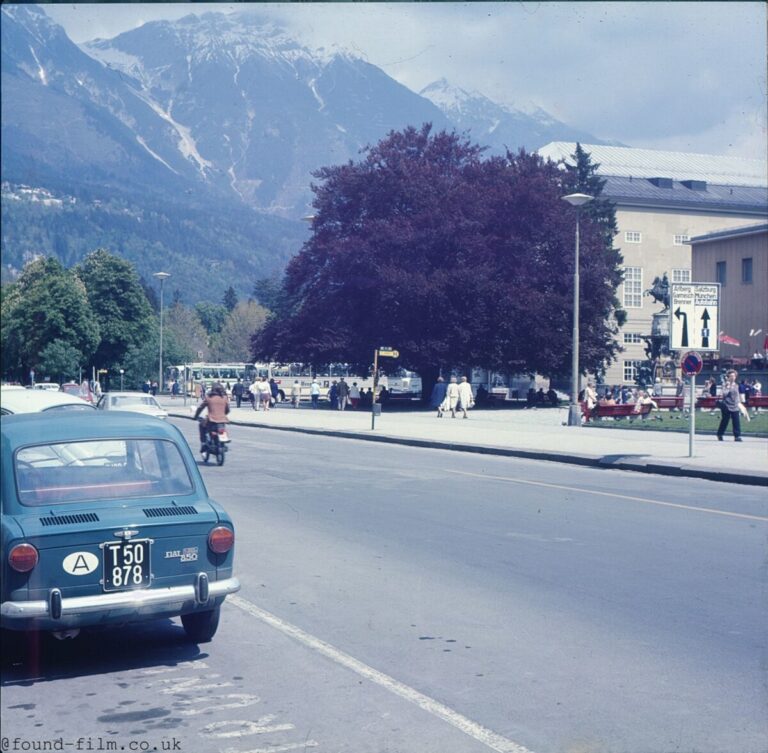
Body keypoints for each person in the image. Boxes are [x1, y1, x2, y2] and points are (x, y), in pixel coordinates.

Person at [193, 382, 230, 452]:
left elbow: (200, 408)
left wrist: (195, 416)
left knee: (201, 425)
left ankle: (203, 443)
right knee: (223, 430)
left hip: (211, 420)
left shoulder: (209, 398)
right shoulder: (224, 398)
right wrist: (222, 414)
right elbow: (227, 410)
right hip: (222, 421)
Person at [717, 369, 745, 442]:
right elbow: (724, 394)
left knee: (736, 421)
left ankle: (737, 436)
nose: (733, 377)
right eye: (731, 376)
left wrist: (740, 404)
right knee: (725, 420)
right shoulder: (725, 385)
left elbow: (737, 395)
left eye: (734, 376)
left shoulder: (737, 385)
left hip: (735, 405)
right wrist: (728, 387)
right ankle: (720, 434)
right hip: (726, 405)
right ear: (728, 377)